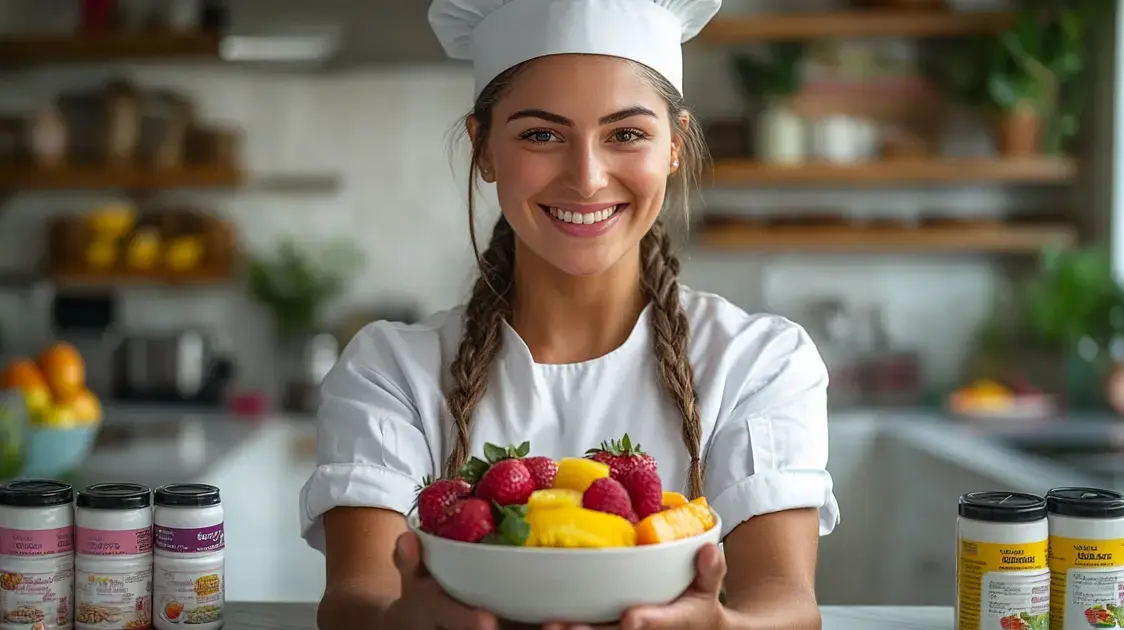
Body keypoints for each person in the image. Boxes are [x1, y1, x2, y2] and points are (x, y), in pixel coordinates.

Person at [300, 0, 840, 628]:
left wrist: (723, 628)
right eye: (541, 134)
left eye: (627, 134)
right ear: (484, 150)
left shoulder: (760, 361)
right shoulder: (389, 369)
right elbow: (354, 603)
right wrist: (406, 622)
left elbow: (787, 607)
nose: (586, 178)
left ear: (675, 145)